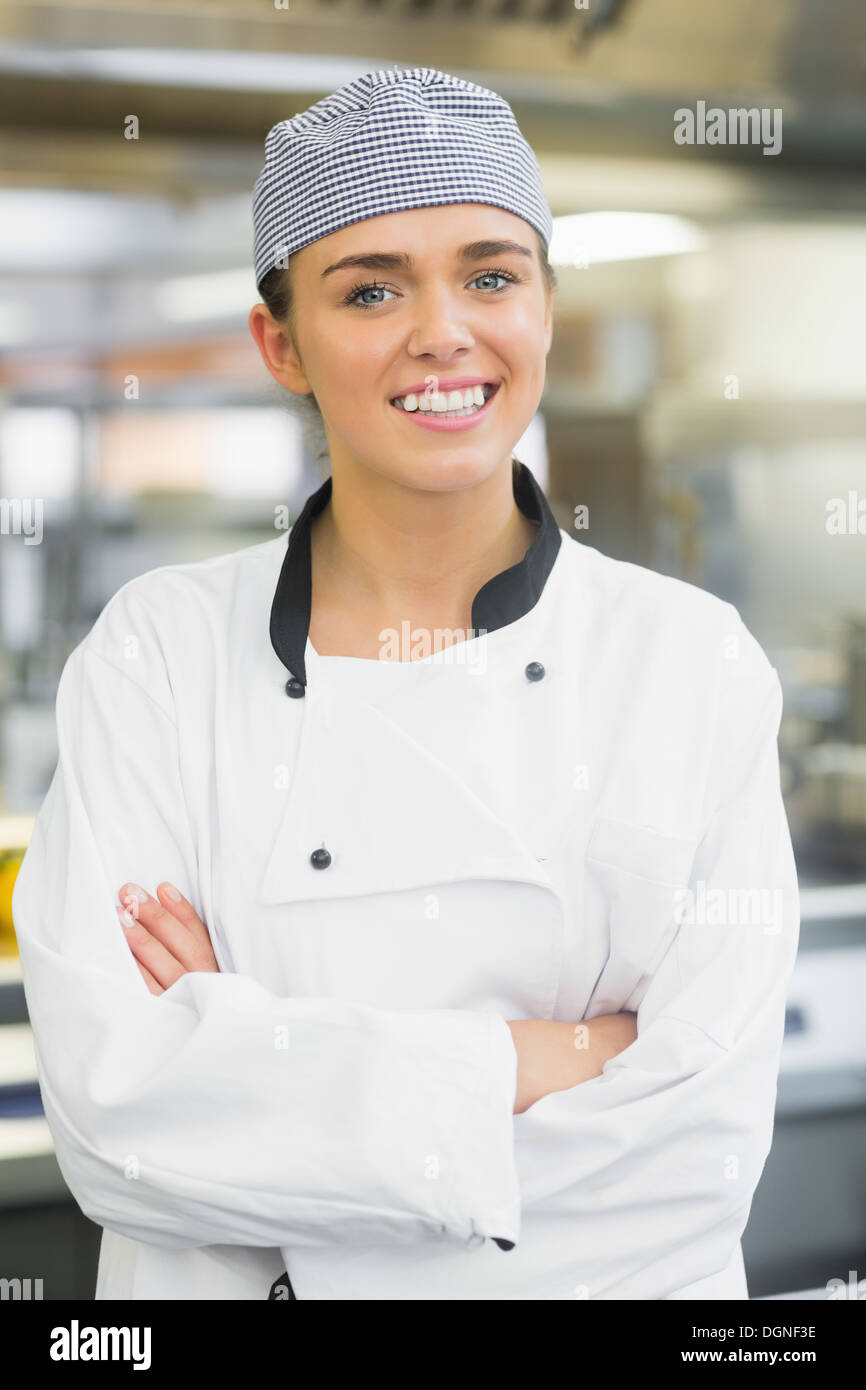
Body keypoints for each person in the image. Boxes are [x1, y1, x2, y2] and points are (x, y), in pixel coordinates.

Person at [12, 66, 799, 1301]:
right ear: (280, 344)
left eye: (490, 274)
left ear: (541, 305)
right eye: (371, 288)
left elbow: (687, 1161)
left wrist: (257, 1066)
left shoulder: (688, 664)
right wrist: (550, 1057)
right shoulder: (155, 653)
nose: (443, 330)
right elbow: (120, 1114)